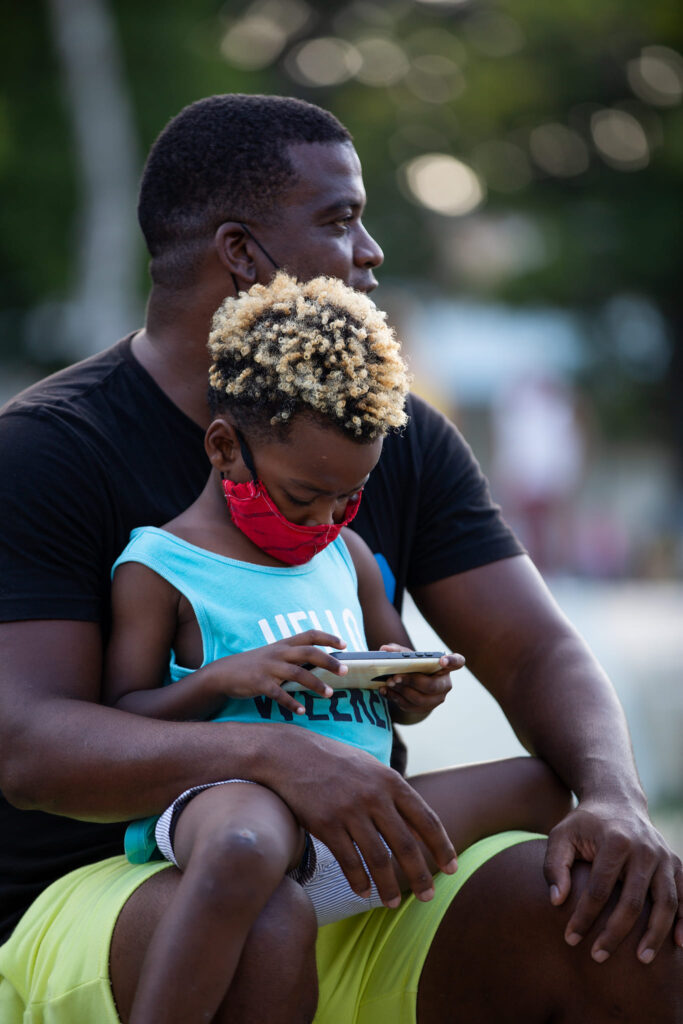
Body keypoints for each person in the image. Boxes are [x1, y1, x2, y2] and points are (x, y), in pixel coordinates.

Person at [0, 93, 680, 1024]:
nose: (371, 252)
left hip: (343, 870)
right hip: (115, 889)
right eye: (341, 219)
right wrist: (275, 754)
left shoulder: (389, 432)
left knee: (621, 911)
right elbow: (27, 746)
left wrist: (615, 800)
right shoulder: (47, 450)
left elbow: (534, 651)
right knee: (262, 918)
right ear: (242, 252)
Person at [102, 271, 569, 1024]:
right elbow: (122, 711)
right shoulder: (160, 567)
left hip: (351, 832)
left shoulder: (345, 555)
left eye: (347, 498)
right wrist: (224, 678)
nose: (324, 517)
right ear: (225, 449)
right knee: (247, 844)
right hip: (231, 812)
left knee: (543, 787)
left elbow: (395, 676)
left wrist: (414, 687)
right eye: (301, 496)